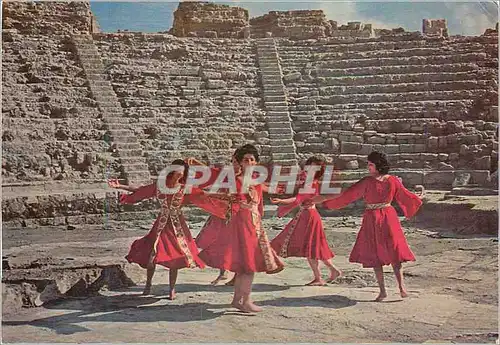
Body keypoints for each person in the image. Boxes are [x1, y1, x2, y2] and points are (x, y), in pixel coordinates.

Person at [311, 151, 424, 302]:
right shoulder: (393, 180)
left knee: (378, 254)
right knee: (393, 251)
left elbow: (347, 196)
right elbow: (406, 195)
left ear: (378, 166)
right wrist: (417, 198)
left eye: (370, 164)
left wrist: (326, 202)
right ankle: (400, 289)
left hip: (373, 217)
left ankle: (387, 291)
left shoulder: (367, 181)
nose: (368, 167)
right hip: (389, 216)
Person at [116, 159, 228, 300]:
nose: (179, 173)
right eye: (177, 170)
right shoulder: (159, 186)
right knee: (152, 255)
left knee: (175, 257)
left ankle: (172, 289)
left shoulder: (185, 188)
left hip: (177, 227)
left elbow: (204, 196)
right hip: (160, 225)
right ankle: (148, 285)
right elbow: (142, 191)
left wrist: (225, 200)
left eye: (182, 171)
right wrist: (121, 186)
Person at [198, 144, 284, 313]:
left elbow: (259, 195)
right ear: (240, 162)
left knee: (247, 266)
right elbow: (226, 195)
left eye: (252, 160)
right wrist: (208, 193)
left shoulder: (256, 180)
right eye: (246, 160)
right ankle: (244, 301)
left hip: (254, 224)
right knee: (248, 265)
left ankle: (239, 300)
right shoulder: (236, 180)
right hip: (243, 225)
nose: (250, 162)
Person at [270, 156, 341, 286]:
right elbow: (298, 199)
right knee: (314, 247)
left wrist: (281, 201)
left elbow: (297, 200)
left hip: (309, 216)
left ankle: (319, 278)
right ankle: (333, 271)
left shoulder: (310, 182)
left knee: (311, 248)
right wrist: (282, 201)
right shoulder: (310, 181)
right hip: (306, 215)